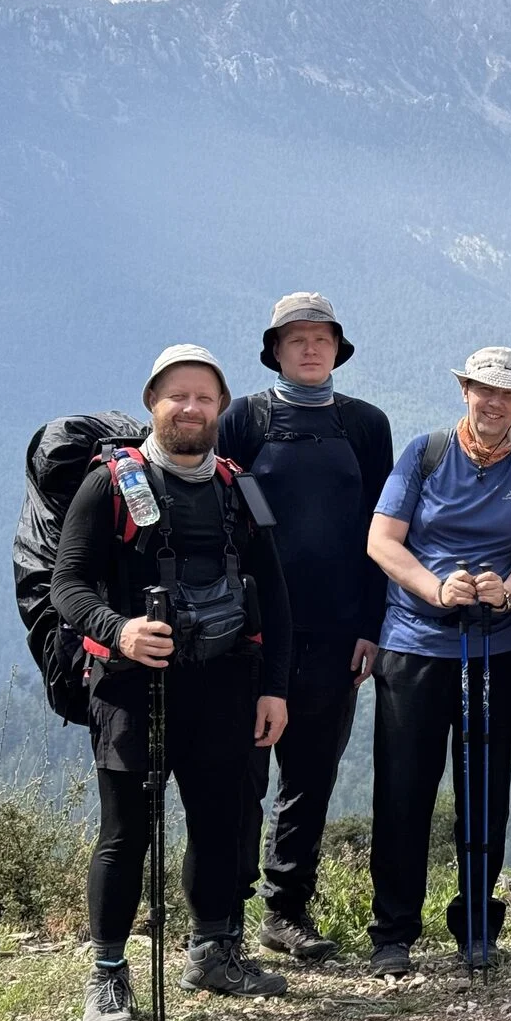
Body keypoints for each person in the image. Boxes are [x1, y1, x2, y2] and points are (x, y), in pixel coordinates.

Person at [52, 345, 293, 1021]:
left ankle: (213, 953)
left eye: (205, 398)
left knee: (221, 823)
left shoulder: (236, 487)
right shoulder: (110, 483)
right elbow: (67, 584)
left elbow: (274, 598)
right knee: (126, 833)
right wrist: (118, 630)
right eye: (177, 396)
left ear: (221, 409)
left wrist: (273, 689)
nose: (191, 409)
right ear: (152, 401)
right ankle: (106, 975)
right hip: (132, 686)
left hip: (225, 682)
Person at [365, 347, 511, 977]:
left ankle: (477, 922)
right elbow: (382, 541)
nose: (493, 402)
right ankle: (394, 929)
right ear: (465, 392)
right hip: (416, 642)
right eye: (482, 389)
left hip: (495, 645)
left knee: (485, 789)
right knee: (403, 788)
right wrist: (436, 589)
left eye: (507, 393)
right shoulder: (426, 453)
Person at [218, 293, 393, 962]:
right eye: (297, 339)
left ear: (337, 348)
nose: (310, 348)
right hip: (254, 634)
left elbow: (385, 531)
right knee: (240, 774)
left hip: (337, 630)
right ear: (277, 350)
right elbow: (224, 520)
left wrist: (371, 626)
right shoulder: (243, 420)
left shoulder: (365, 425)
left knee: (310, 777)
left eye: (321, 338)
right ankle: (225, 917)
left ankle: (286, 911)